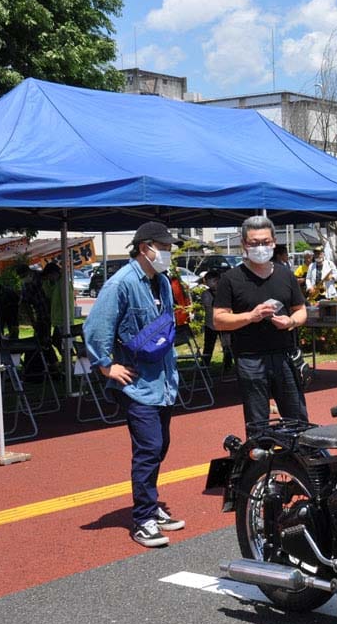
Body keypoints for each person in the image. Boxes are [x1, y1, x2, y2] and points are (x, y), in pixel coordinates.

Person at [83, 221, 185, 548]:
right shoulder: (121, 284)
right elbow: (96, 326)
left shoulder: (163, 282)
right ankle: (143, 518)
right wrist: (105, 365)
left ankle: (151, 506)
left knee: (160, 447)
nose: (167, 253)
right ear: (145, 248)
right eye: (163, 247)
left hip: (163, 381)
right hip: (138, 384)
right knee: (149, 448)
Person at [213, 216, 310, 426]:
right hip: (250, 358)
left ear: (274, 242)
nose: (260, 247)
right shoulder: (231, 278)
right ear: (244, 245)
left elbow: (301, 311)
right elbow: (219, 320)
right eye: (254, 243)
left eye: (265, 242)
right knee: (258, 422)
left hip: (284, 355)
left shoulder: (286, 275)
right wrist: (251, 316)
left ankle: (299, 456)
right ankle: (260, 457)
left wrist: (290, 322)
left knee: (297, 418)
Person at [199, 270, 233, 371]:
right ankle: (205, 365)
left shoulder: (225, 292)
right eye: (207, 281)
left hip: (224, 323)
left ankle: (228, 365)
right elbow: (208, 305)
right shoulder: (206, 294)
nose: (209, 283)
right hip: (211, 324)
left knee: (227, 345)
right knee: (208, 345)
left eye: (212, 281)